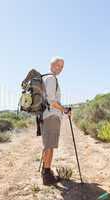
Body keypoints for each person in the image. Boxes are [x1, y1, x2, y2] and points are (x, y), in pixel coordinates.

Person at [41, 57, 71, 185]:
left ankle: (45, 171)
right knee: (50, 146)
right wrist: (64, 109)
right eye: (58, 65)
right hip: (51, 116)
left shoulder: (45, 78)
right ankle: (47, 176)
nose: (60, 68)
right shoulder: (51, 79)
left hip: (45, 116)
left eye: (62, 66)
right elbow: (51, 101)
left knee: (48, 144)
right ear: (52, 65)